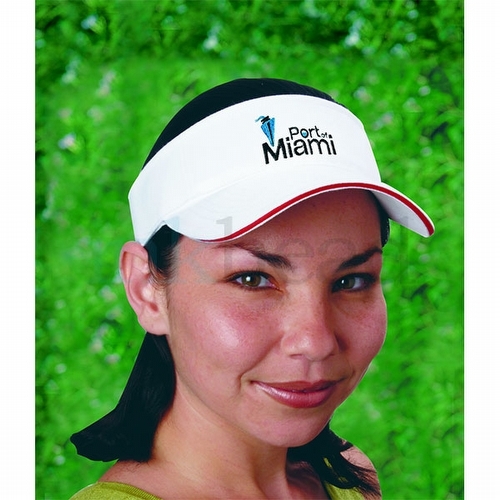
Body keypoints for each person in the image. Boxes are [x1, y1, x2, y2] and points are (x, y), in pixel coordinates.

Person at [69, 78, 434, 500]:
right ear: (146, 289)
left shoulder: (347, 478)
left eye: (350, 281)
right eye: (252, 279)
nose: (315, 343)